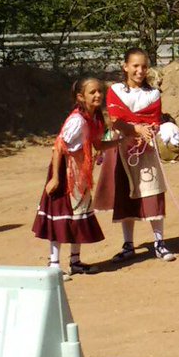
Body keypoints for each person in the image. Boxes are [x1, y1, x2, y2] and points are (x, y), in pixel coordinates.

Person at [96, 49, 176, 263]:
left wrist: (149, 130)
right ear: (125, 67)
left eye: (143, 66)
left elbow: (155, 119)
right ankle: (128, 243)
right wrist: (136, 130)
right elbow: (116, 120)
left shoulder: (153, 94)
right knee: (125, 194)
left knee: (153, 191)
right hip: (122, 148)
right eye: (135, 66)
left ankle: (159, 242)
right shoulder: (115, 91)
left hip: (145, 149)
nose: (140, 71)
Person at [33, 78, 114, 277]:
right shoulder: (77, 120)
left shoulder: (95, 118)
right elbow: (59, 146)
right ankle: (54, 264)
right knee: (61, 217)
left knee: (78, 215)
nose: (98, 95)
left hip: (80, 172)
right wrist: (55, 178)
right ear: (80, 97)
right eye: (92, 92)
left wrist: (124, 140)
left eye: (100, 91)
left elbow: (98, 144)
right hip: (66, 172)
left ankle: (75, 261)